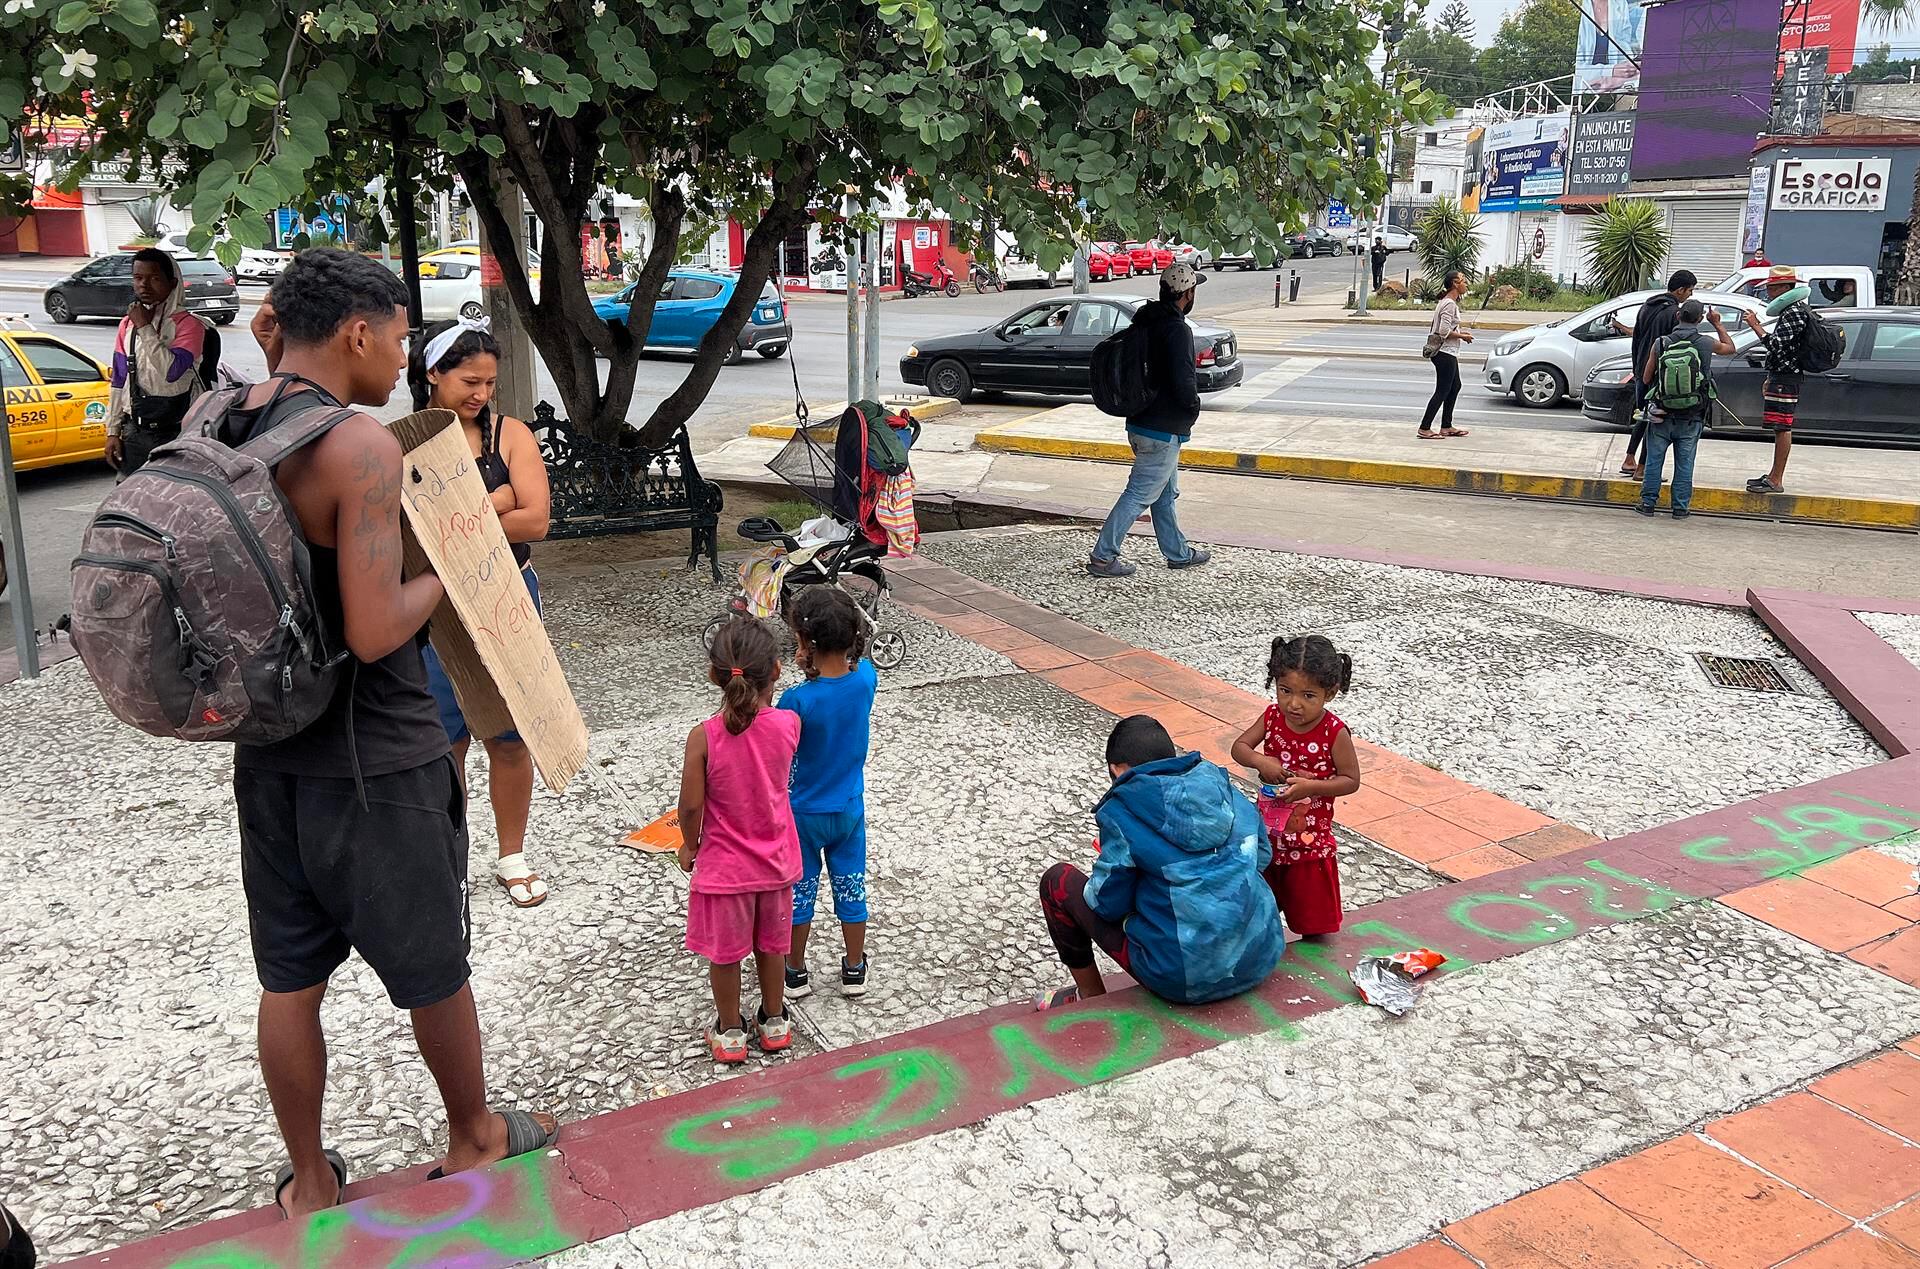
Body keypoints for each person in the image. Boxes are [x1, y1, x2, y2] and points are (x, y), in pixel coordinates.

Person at [226, 249, 556, 1217]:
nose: (405, 352)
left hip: (271, 750)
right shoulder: (359, 446)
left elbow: (271, 336)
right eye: (402, 333)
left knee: (290, 979)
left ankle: (312, 1180)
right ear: (361, 333)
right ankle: (474, 1134)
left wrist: (280, 325)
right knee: (432, 968)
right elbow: (375, 631)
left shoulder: (233, 416)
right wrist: (454, 562)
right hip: (377, 761)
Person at [407, 318, 554, 908]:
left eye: (490, 384)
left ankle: (512, 852)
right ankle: (449, 852)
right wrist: (495, 501)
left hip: (509, 594)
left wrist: (466, 514)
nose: (481, 395)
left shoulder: (511, 435)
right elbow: (411, 533)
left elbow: (537, 521)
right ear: (433, 375)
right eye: (469, 381)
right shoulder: (408, 442)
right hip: (437, 607)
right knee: (446, 737)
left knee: (510, 735)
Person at [1036, 715, 1282, 1008]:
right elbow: (1262, 858)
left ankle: (1089, 995)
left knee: (1057, 881)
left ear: (1118, 770)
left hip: (1184, 979)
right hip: (1260, 956)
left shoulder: (1122, 810)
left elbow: (1106, 903)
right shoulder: (1223, 788)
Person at [678, 617, 801, 1063]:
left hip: (725, 871)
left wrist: (689, 845)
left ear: (714, 675)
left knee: (725, 954)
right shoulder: (788, 724)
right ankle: (773, 1021)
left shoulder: (703, 737)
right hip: (776, 863)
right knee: (773, 945)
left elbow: (690, 807)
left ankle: (730, 1032)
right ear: (776, 670)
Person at [779, 587, 878, 1002]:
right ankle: (854, 967)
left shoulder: (795, 701)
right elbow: (862, 659)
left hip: (802, 813)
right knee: (851, 887)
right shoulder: (867, 679)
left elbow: (781, 754)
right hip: (849, 807)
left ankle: (795, 971)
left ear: (805, 643)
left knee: (800, 894)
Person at [1230, 636, 1361, 937]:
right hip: (1268, 839)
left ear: (1330, 693)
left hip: (1309, 845)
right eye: (1285, 691)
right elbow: (1240, 747)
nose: (1294, 703)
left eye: (1308, 695)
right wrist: (1261, 762)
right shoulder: (1272, 717)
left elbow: (1351, 780)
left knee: (1314, 927)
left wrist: (1312, 786)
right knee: (1255, 915)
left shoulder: (1334, 732)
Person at [1087, 262, 1212, 578]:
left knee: (1165, 493)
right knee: (1139, 494)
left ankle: (1178, 553)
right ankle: (1103, 557)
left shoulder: (1145, 323)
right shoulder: (1177, 329)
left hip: (1140, 423)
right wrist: (1192, 410)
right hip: (1163, 430)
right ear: (1187, 293)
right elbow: (1185, 381)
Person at [104, 248, 214, 477]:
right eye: (138, 278)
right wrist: (112, 431)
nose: (144, 285)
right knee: (130, 501)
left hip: (178, 431)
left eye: (154, 278)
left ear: (172, 283)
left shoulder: (189, 326)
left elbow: (171, 372)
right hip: (136, 432)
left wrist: (145, 328)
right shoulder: (128, 325)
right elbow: (120, 378)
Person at [1638, 299, 1734, 520]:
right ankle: (1680, 508)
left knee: (1654, 460)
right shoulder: (1706, 343)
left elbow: (1645, 377)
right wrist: (1717, 323)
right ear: (1700, 319)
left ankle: (1648, 504)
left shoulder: (1661, 343)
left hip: (1662, 413)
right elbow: (1731, 348)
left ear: (1677, 316)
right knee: (1685, 463)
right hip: (1693, 415)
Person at [1614, 270, 1695, 477]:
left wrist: (1638, 368)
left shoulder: (1647, 306)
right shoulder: (1674, 312)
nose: (1690, 295)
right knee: (1656, 419)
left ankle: (1629, 458)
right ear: (1680, 290)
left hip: (1641, 370)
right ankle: (1642, 468)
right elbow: (1674, 347)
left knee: (1644, 415)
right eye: (1690, 291)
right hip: (1660, 375)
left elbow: (1637, 337)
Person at [1741, 265, 1810, 494]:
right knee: (1779, 426)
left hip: (1786, 378)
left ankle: (1776, 478)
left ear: (1782, 288)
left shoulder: (1793, 313)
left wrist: (1755, 326)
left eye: (1771, 288)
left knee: (1782, 427)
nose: (1768, 293)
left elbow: (1776, 345)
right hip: (1782, 375)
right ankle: (1773, 475)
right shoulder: (1794, 311)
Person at [1418, 270, 1472, 439]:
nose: (1466, 284)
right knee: (1442, 390)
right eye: (1463, 281)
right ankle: (1424, 428)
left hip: (1447, 352)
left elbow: (1446, 328)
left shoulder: (1446, 302)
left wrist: (1459, 332)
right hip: (1444, 352)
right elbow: (1443, 331)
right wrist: (1462, 336)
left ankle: (1446, 426)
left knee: (1455, 386)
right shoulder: (1449, 304)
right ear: (1455, 284)